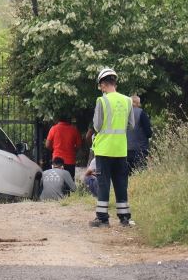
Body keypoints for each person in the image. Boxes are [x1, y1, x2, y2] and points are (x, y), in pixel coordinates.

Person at [85, 68, 135, 228]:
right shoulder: (128, 100)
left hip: (104, 150)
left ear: (103, 85)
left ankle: (102, 218)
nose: (101, 89)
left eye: (100, 86)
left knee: (103, 184)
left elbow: (97, 126)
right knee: (121, 183)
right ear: (115, 83)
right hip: (121, 149)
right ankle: (124, 218)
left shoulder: (102, 101)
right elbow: (131, 124)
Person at [45, 115, 82, 180]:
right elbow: (79, 145)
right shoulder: (74, 130)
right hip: (70, 161)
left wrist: (54, 149)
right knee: (69, 184)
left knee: (56, 181)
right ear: (68, 120)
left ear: (58, 120)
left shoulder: (53, 129)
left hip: (57, 161)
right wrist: (73, 151)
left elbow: (47, 145)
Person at [127, 95, 153, 174]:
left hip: (126, 150)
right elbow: (148, 133)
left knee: (128, 175)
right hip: (140, 149)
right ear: (137, 103)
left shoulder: (124, 114)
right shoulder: (141, 113)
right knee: (140, 173)